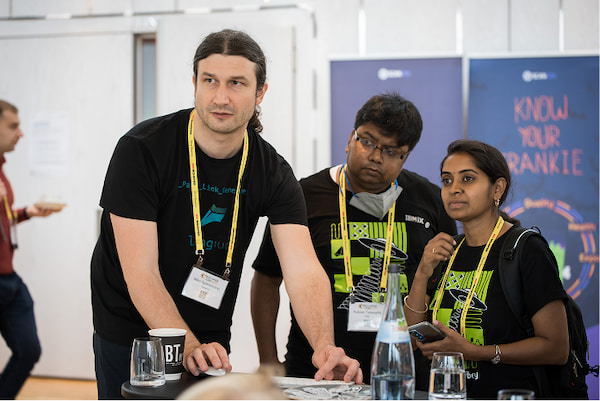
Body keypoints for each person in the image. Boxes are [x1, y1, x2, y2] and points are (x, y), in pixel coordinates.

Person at [90, 29, 361, 399]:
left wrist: (324, 347)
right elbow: (141, 272)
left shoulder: (271, 171)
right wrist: (186, 346)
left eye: (236, 83)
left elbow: (302, 270)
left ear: (260, 92)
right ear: (195, 84)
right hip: (133, 332)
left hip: (209, 335)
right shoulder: (142, 150)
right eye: (210, 81)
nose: (221, 97)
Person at [250, 92, 457, 386]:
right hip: (317, 370)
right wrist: (268, 360)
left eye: (391, 151)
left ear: (406, 155)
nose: (375, 156)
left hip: (403, 371)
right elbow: (266, 279)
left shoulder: (431, 201)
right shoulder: (303, 196)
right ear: (351, 138)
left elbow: (442, 287)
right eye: (368, 141)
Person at [404, 139, 569, 398]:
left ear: (497, 188)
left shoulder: (526, 248)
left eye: (467, 179)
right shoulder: (445, 250)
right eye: (447, 180)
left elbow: (556, 349)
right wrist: (422, 272)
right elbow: (412, 340)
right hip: (444, 394)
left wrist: (475, 352)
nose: (454, 189)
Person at [0, 100, 62, 398]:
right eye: (13, 126)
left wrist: (27, 212)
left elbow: (3, 219)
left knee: (28, 350)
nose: (21, 133)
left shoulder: (2, 171)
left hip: (8, 279)